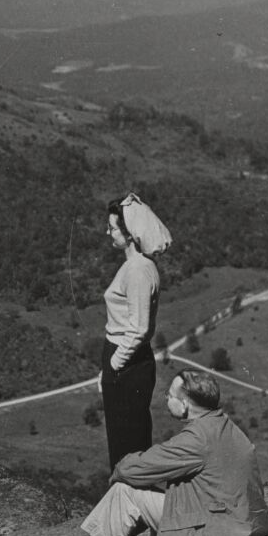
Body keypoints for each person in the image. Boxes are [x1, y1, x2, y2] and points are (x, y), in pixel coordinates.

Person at [59, 369, 268, 536]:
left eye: (169, 395)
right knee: (170, 485)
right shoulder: (222, 425)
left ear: (184, 405)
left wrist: (120, 469)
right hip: (236, 524)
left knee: (124, 491)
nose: (165, 399)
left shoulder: (196, 439)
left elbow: (134, 469)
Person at [98, 193, 173, 467]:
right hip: (125, 359)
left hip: (126, 362)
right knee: (126, 439)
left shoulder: (139, 271)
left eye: (113, 228)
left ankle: (131, 503)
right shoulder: (135, 266)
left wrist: (115, 364)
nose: (109, 232)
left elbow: (139, 327)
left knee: (127, 446)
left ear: (129, 234)